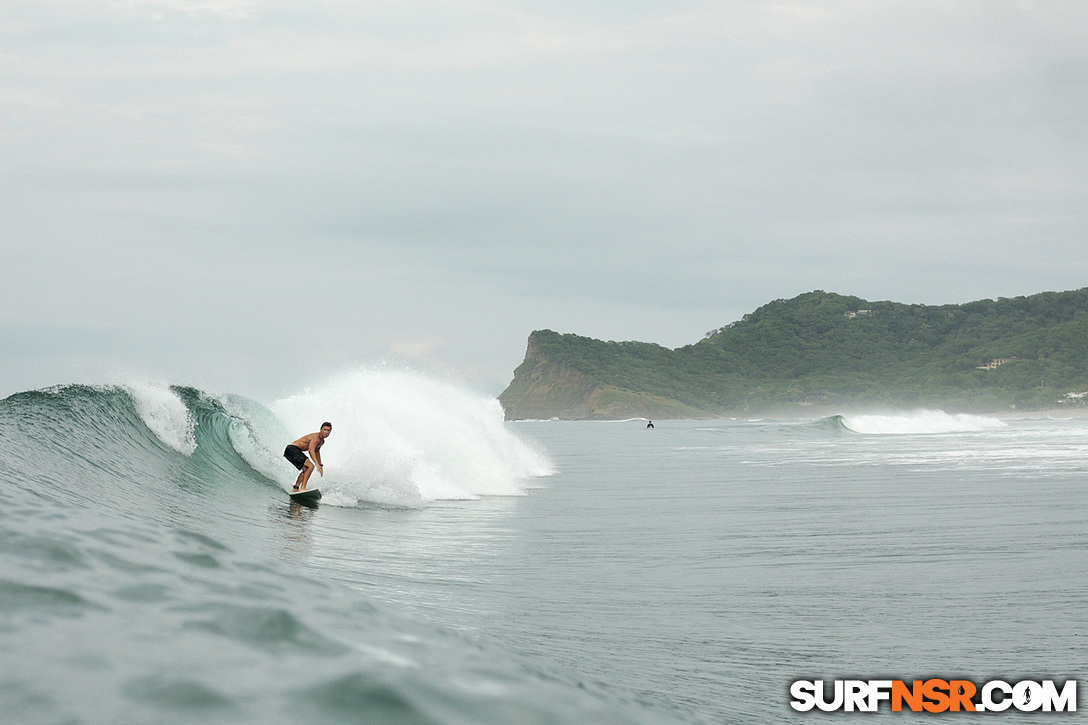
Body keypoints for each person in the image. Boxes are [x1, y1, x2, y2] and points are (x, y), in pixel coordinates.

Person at [284, 422, 332, 491]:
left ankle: (295, 488)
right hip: (292, 449)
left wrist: (320, 465)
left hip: (294, 451)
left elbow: (317, 451)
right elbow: (311, 449)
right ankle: (303, 487)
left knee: (306, 469)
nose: (326, 432)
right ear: (320, 429)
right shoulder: (316, 437)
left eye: (328, 430)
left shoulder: (322, 441)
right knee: (311, 466)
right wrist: (316, 463)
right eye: (324, 430)